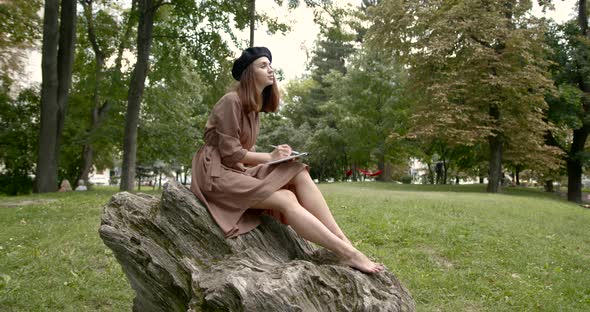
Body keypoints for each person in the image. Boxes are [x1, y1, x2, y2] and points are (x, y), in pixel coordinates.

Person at [190, 47, 383, 273]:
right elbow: (230, 152)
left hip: (235, 170)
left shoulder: (253, 109)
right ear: (249, 74)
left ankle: (343, 242)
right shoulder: (230, 101)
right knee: (285, 198)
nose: (271, 69)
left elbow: (241, 156)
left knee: (297, 170)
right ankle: (348, 254)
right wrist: (270, 157)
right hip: (214, 175)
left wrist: (275, 160)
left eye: (271, 65)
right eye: (263, 66)